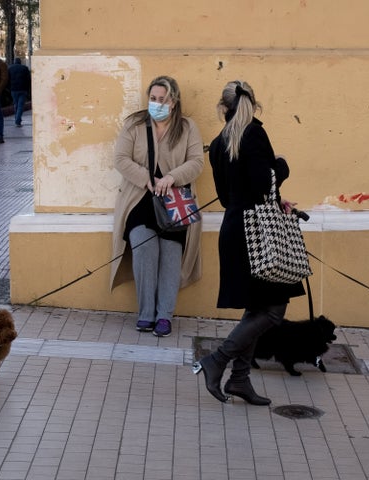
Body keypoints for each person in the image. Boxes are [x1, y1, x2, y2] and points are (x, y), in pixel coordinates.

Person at [193, 80, 305, 405]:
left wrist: (271, 197)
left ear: (222, 108)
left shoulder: (218, 143)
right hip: (258, 235)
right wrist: (281, 166)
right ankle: (217, 360)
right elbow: (261, 183)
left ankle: (240, 380)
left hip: (235, 230)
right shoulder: (254, 134)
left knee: (257, 308)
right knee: (273, 311)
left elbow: (228, 197)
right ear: (252, 105)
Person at [109, 76, 204, 337]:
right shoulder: (135, 124)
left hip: (174, 202)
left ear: (173, 101)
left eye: (163, 99)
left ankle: (164, 316)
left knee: (171, 254)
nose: (157, 103)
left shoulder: (186, 127)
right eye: (153, 98)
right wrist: (147, 179)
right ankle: (146, 314)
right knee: (144, 249)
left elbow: (197, 161)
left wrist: (173, 177)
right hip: (140, 200)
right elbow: (120, 158)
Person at [8, 58, 31, 127]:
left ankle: (17, 119)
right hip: (23, 89)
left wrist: (9, 87)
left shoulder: (10, 68)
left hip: (13, 89)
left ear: (14, 62)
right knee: (20, 105)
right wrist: (28, 89)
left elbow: (7, 79)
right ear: (20, 62)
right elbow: (28, 79)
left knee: (16, 104)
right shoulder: (25, 68)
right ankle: (18, 121)